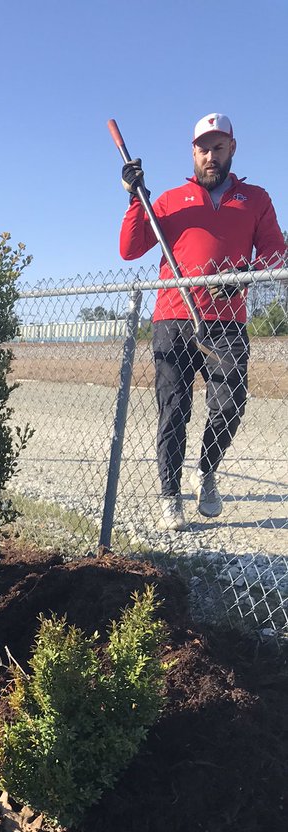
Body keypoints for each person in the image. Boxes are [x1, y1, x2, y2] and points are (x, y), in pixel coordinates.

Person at [119, 113, 285, 532]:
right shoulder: (171, 201)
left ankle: (206, 470)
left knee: (229, 406)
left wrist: (241, 277)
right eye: (203, 148)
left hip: (227, 322)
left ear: (232, 148)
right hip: (173, 317)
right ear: (192, 152)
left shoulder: (256, 199)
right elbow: (130, 248)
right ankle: (170, 495)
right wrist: (134, 198)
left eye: (218, 147)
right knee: (173, 410)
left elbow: (275, 254)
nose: (210, 156)